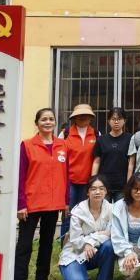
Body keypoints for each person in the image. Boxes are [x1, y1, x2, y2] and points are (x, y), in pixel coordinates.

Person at [14, 108, 68, 280]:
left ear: (55, 122)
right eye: (44, 119)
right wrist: (20, 204)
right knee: (25, 245)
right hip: (31, 203)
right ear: (37, 123)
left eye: (51, 119)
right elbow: (20, 176)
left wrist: (66, 201)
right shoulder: (27, 145)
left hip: (53, 203)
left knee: (47, 243)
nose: (48, 122)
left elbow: (66, 174)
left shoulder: (62, 145)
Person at [58, 175, 114, 280]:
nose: (97, 192)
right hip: (74, 253)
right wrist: (93, 239)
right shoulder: (78, 211)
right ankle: (75, 276)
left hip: (93, 252)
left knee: (109, 245)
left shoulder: (111, 209)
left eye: (101, 188)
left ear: (106, 191)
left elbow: (110, 233)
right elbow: (76, 241)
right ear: (88, 192)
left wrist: (90, 242)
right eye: (93, 189)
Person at [59, 103, 99, 240]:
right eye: (80, 115)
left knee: (84, 214)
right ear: (74, 118)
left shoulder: (96, 134)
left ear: (90, 117)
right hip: (69, 182)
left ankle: (82, 243)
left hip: (87, 182)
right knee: (68, 214)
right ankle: (64, 244)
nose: (83, 117)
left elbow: (98, 158)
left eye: (86, 115)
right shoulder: (65, 134)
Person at [92, 106, 132, 202]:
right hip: (103, 185)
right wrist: (93, 180)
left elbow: (131, 162)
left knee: (120, 211)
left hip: (122, 186)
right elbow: (96, 161)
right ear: (108, 121)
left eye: (119, 119)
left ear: (124, 121)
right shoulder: (101, 140)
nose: (116, 122)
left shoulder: (130, 138)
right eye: (113, 119)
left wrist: (129, 183)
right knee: (103, 211)